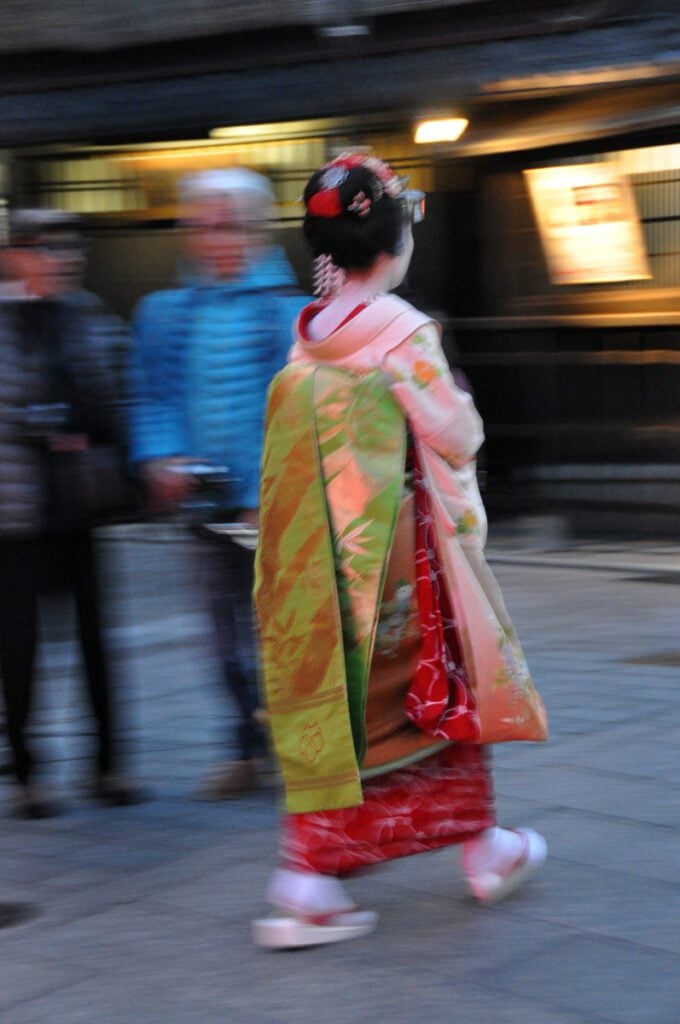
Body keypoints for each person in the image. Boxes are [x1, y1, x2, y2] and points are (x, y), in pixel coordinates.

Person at [252, 152, 548, 949]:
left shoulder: (307, 334)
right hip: (397, 557)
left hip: (324, 556)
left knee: (345, 710)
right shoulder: (402, 331)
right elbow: (454, 433)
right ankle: (335, 874)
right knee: (433, 695)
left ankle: (324, 870)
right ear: (392, 242)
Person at [129, 168, 306, 799]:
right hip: (202, 504)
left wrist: (271, 490)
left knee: (281, 634)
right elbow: (150, 398)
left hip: (274, 505)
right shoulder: (164, 313)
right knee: (218, 639)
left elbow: (304, 410)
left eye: (226, 222)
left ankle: (295, 748)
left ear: (258, 227)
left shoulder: (295, 312)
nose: (213, 235)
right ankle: (243, 746)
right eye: (201, 223)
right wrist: (162, 457)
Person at [0, 209, 142, 818]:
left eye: (68, 249)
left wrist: (80, 425)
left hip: (80, 504)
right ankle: (31, 773)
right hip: (16, 513)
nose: (60, 260)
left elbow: (114, 398)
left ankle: (109, 766)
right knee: (20, 647)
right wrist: (43, 423)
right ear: (16, 254)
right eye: (46, 249)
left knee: (94, 641)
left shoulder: (87, 316)